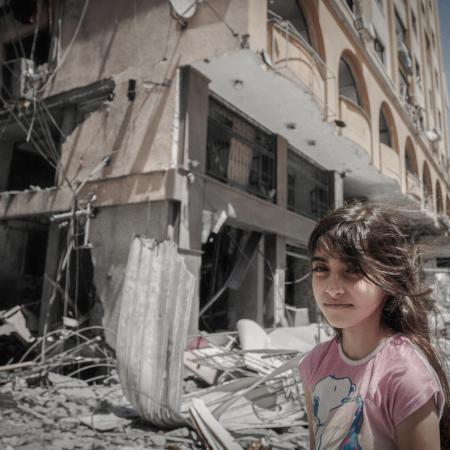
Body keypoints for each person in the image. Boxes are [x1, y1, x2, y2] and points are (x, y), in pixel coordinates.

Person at [298, 202, 450, 450]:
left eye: (353, 270)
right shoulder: (314, 363)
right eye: (321, 268)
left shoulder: (405, 376)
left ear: (388, 280)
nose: (332, 288)